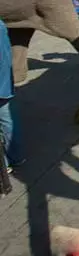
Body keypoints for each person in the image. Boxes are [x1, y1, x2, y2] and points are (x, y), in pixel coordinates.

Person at [0, 19, 24, 172]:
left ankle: (4, 165)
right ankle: (16, 157)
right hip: (4, 82)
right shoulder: (1, 25)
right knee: (7, 120)